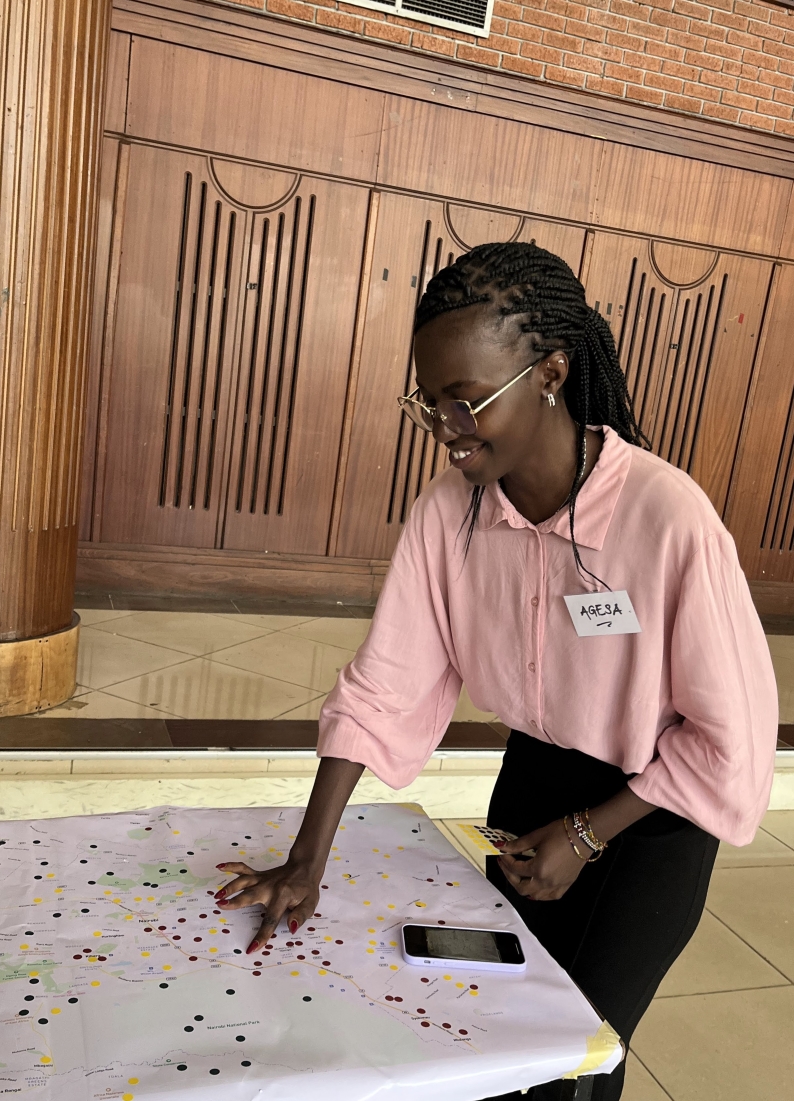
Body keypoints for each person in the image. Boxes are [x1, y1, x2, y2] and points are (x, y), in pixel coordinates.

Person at [214, 242, 778, 1100]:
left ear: (551, 372)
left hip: (653, 814)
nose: (446, 429)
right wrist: (305, 859)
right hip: (533, 786)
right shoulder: (450, 514)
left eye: (468, 401)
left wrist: (589, 835)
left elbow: (730, 737)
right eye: (430, 403)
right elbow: (385, 682)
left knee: (572, 1061)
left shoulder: (669, 518)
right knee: (494, 1033)